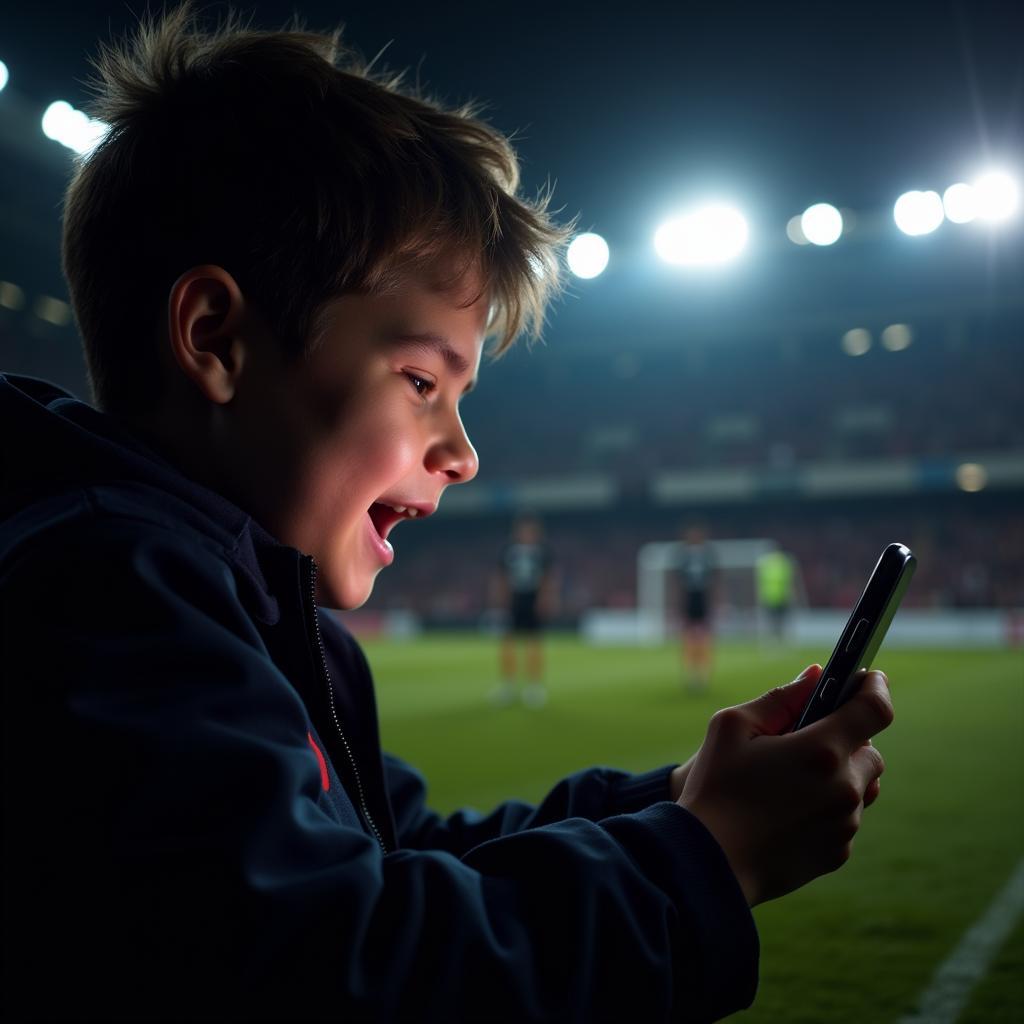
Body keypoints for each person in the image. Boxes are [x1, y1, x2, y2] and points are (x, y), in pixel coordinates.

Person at [0, 5, 894, 1021]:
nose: (463, 455)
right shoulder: (107, 599)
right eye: (423, 381)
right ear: (215, 339)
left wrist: (685, 797)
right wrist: (706, 854)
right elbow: (337, 970)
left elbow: (403, 852)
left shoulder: (238, 609)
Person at [493, 515, 556, 707]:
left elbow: (549, 577)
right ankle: (508, 685)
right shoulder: (508, 550)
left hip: (533, 598)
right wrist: (499, 598)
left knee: (533, 643)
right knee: (508, 643)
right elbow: (500, 576)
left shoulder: (542, 551)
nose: (526, 532)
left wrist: (546, 598)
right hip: (514, 599)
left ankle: (534, 686)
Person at [677, 523, 718, 692]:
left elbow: (715, 580)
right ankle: (692, 676)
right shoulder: (683, 556)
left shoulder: (708, 555)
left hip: (703, 600)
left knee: (704, 638)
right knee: (689, 639)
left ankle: (703, 676)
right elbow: (678, 581)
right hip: (689, 601)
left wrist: (714, 602)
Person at [757, 548, 797, 643]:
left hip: (777, 597)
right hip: (775, 597)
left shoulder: (767, 563)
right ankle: (776, 639)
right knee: (776, 621)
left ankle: (778, 639)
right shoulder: (782, 563)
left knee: (778, 621)